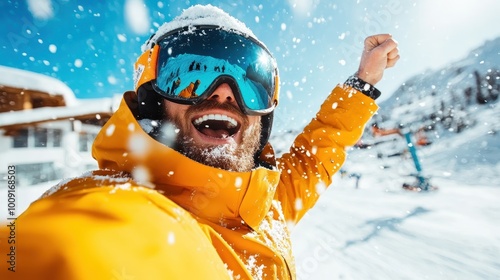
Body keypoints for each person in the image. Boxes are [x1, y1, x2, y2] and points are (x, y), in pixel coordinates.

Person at [0, 4, 399, 280]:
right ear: (154, 98)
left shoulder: (264, 205)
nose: (225, 94)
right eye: (191, 74)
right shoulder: (120, 203)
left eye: (251, 82)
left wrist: (362, 83)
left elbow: (318, 153)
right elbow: (76, 249)